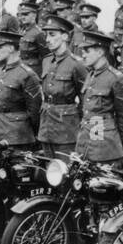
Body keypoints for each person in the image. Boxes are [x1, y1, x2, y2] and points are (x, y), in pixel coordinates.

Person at [74, 29, 123, 164]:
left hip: (106, 150)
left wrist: (117, 144)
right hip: (85, 145)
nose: (82, 55)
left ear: (101, 52)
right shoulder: (90, 75)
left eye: (87, 51)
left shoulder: (116, 78)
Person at [37, 14, 85, 159]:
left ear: (65, 36)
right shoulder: (47, 61)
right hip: (46, 127)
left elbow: (86, 101)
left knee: (64, 173)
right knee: (48, 173)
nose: (47, 40)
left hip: (66, 130)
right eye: (46, 35)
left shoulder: (76, 64)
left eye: (52, 35)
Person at [0, 29, 41, 146]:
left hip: (18, 135)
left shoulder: (27, 74)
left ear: (11, 48)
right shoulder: (1, 71)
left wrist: (31, 134)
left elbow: (34, 111)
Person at [16, 1, 46, 69]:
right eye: (21, 15)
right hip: (21, 68)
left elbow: (46, 56)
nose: (22, 17)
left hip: (33, 70)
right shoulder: (21, 31)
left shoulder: (38, 33)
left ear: (34, 15)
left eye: (26, 14)